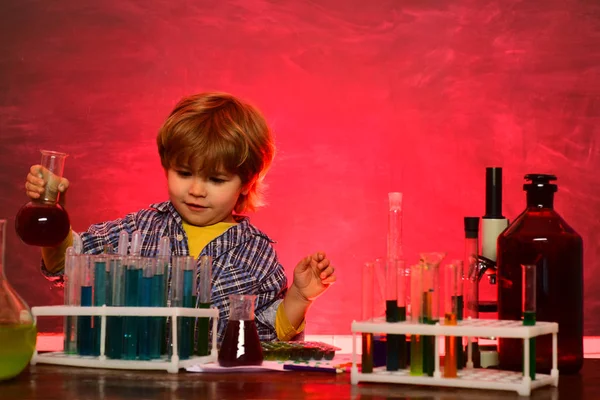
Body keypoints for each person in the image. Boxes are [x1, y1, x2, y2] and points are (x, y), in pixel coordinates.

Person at [24, 92, 336, 344]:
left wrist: (298, 296)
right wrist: (52, 212)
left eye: (216, 180)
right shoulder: (141, 229)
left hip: (220, 387)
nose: (196, 190)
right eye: (184, 173)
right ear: (167, 166)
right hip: (137, 379)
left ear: (246, 183)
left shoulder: (255, 253)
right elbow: (67, 263)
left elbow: (267, 334)